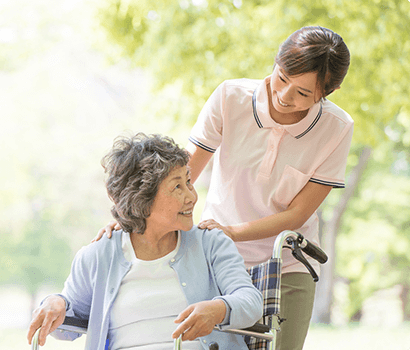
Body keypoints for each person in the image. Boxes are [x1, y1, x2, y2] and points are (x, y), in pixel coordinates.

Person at [95, 26, 353, 350]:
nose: (284, 95)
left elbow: (299, 212)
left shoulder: (337, 128)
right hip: (215, 257)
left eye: (302, 93)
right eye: (282, 77)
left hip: (285, 263)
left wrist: (232, 231)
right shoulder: (231, 97)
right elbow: (182, 172)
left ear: (328, 92)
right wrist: (134, 216)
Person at [27, 133, 262, 350]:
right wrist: (55, 302)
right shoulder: (98, 255)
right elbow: (67, 326)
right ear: (143, 200)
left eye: (188, 182)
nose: (191, 196)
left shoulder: (210, 243)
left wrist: (219, 309)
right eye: (177, 187)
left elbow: (250, 301)